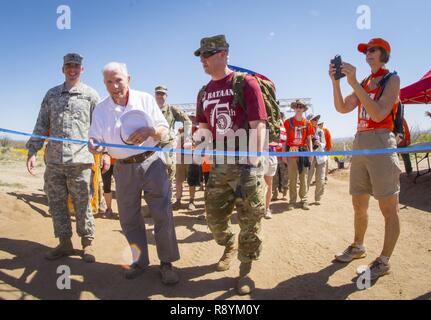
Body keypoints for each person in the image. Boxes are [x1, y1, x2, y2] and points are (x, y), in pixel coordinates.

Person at [88, 62, 180, 285]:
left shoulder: (145, 99)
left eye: (118, 80)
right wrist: (94, 145)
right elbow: (94, 139)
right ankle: (139, 262)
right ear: (104, 84)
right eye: (109, 81)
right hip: (123, 168)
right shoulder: (101, 109)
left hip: (152, 163)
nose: (114, 85)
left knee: (162, 214)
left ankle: (166, 263)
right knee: (129, 218)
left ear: (128, 79)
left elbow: (163, 130)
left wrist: (151, 131)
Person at [194, 35, 267, 295]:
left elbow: (260, 125)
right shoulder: (204, 92)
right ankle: (228, 244)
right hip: (218, 165)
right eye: (201, 55)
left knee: (250, 221)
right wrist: (198, 143)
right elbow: (203, 128)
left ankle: (245, 270)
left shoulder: (245, 83)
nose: (203, 60)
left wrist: (253, 164)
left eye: (208, 54)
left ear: (224, 54)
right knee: (213, 219)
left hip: (246, 163)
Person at [330, 38, 402, 280]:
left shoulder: (392, 78)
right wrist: (336, 83)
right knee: (358, 203)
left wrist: (354, 84)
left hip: (381, 141)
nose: (367, 54)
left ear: (384, 53)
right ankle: (358, 246)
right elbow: (341, 108)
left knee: (388, 208)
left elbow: (379, 112)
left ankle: (384, 260)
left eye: (372, 50)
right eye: (365, 51)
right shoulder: (365, 81)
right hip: (360, 140)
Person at [26, 53, 100, 263]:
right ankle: (64, 243)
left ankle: (88, 243)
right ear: (63, 69)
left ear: (82, 69)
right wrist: (33, 151)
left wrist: (103, 153)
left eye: (76, 65)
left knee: (83, 203)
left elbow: (100, 127)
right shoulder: (51, 94)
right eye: (68, 65)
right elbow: (41, 124)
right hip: (55, 161)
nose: (72, 69)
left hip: (80, 161)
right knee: (56, 203)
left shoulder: (91, 95)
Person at [155, 85, 192, 186]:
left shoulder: (172, 109)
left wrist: (186, 138)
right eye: (158, 93)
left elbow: (187, 121)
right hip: (153, 146)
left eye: (162, 93)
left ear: (166, 95)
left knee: (169, 169)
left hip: (167, 145)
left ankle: (168, 196)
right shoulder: (151, 109)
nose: (160, 96)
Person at [282, 100, 314, 211]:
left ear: (304, 109)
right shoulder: (287, 122)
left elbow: (309, 139)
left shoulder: (307, 123)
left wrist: (311, 153)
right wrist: (283, 155)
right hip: (291, 152)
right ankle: (292, 201)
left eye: (301, 106)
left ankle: (304, 200)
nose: (299, 108)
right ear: (294, 108)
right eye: (297, 106)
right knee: (292, 178)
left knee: (303, 178)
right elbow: (284, 140)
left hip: (303, 152)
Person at [306, 114, 327, 205]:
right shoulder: (306, 131)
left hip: (321, 157)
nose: (316, 120)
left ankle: (318, 198)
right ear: (309, 121)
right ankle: (304, 198)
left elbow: (324, 143)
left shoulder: (320, 131)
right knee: (307, 178)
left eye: (317, 119)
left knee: (321, 179)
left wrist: (320, 144)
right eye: (314, 119)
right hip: (309, 158)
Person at [272, 113, 289, 201]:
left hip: (282, 156)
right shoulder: (272, 128)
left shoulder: (283, 129)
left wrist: (284, 155)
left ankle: (285, 194)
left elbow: (285, 142)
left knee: (284, 175)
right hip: (273, 155)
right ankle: (274, 194)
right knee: (274, 176)